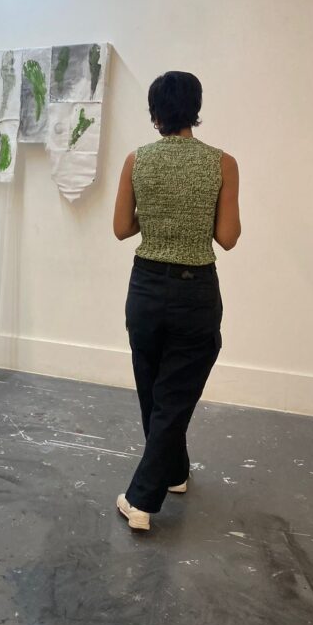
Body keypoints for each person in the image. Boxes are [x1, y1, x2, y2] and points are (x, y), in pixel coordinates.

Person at [112, 71, 241, 531]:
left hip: (146, 288)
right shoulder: (222, 163)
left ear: (155, 112)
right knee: (174, 395)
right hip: (195, 291)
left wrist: (156, 217)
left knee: (155, 393)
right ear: (195, 109)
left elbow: (122, 228)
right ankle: (145, 498)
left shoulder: (136, 160)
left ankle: (170, 475)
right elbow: (228, 237)